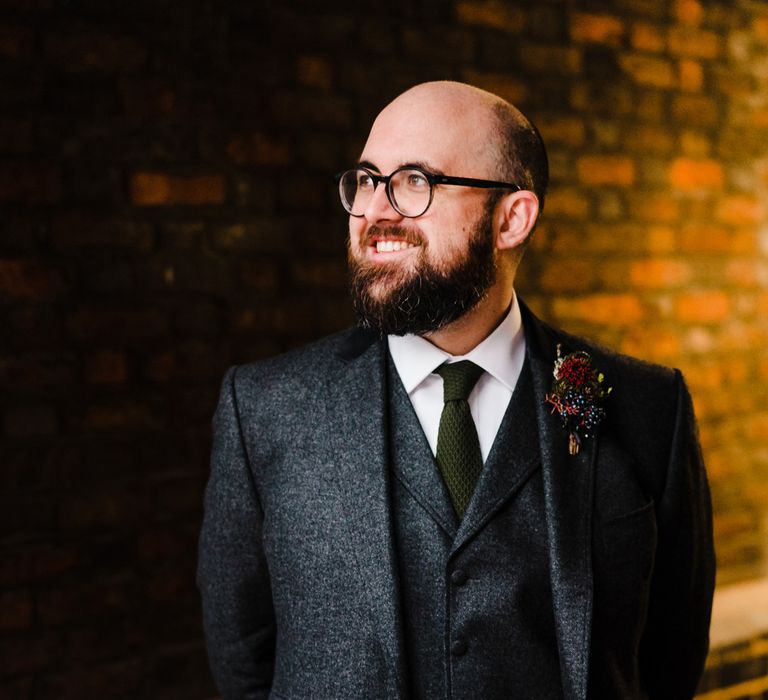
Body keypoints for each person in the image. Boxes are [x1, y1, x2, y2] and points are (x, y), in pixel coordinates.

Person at [198, 81, 715, 700]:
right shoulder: (265, 409)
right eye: (365, 180)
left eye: (414, 181)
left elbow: (669, 654)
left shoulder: (648, 407)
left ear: (511, 218)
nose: (375, 212)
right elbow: (243, 657)